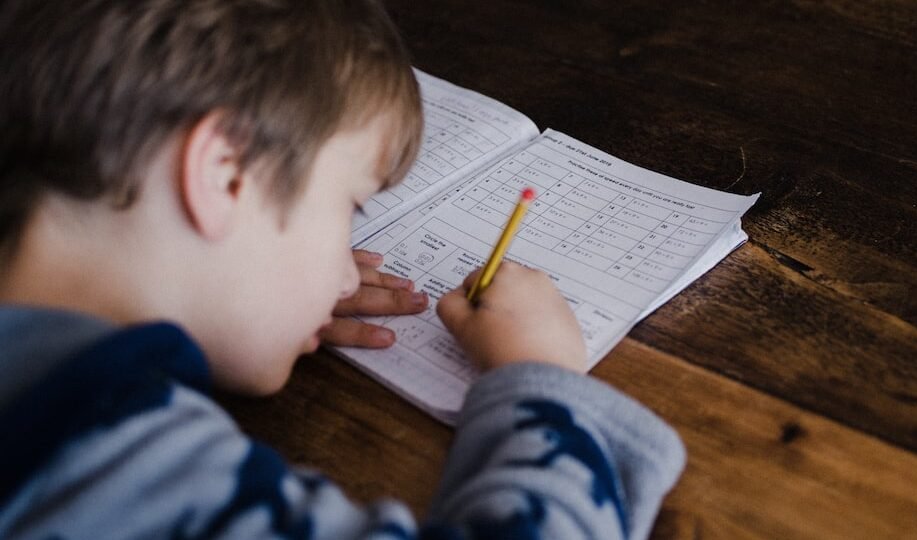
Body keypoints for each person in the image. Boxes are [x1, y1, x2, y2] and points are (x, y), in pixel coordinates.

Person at [0, 1, 686, 539]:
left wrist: (241, 297)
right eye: (350, 207)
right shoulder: (101, 457)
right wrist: (543, 382)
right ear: (227, 175)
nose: (349, 277)